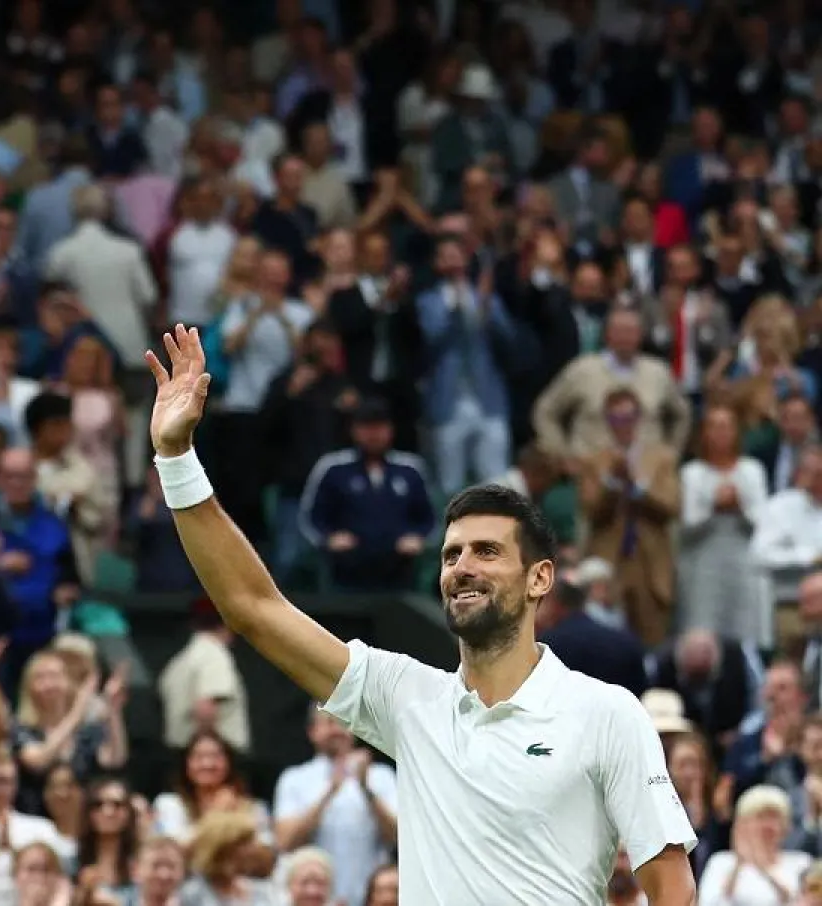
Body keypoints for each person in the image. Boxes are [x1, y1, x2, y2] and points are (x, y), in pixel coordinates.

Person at [141, 324, 697, 903]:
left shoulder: (607, 713)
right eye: (451, 553)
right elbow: (253, 607)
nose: (462, 566)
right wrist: (176, 458)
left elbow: (671, 888)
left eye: (487, 551)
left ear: (540, 579)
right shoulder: (408, 699)